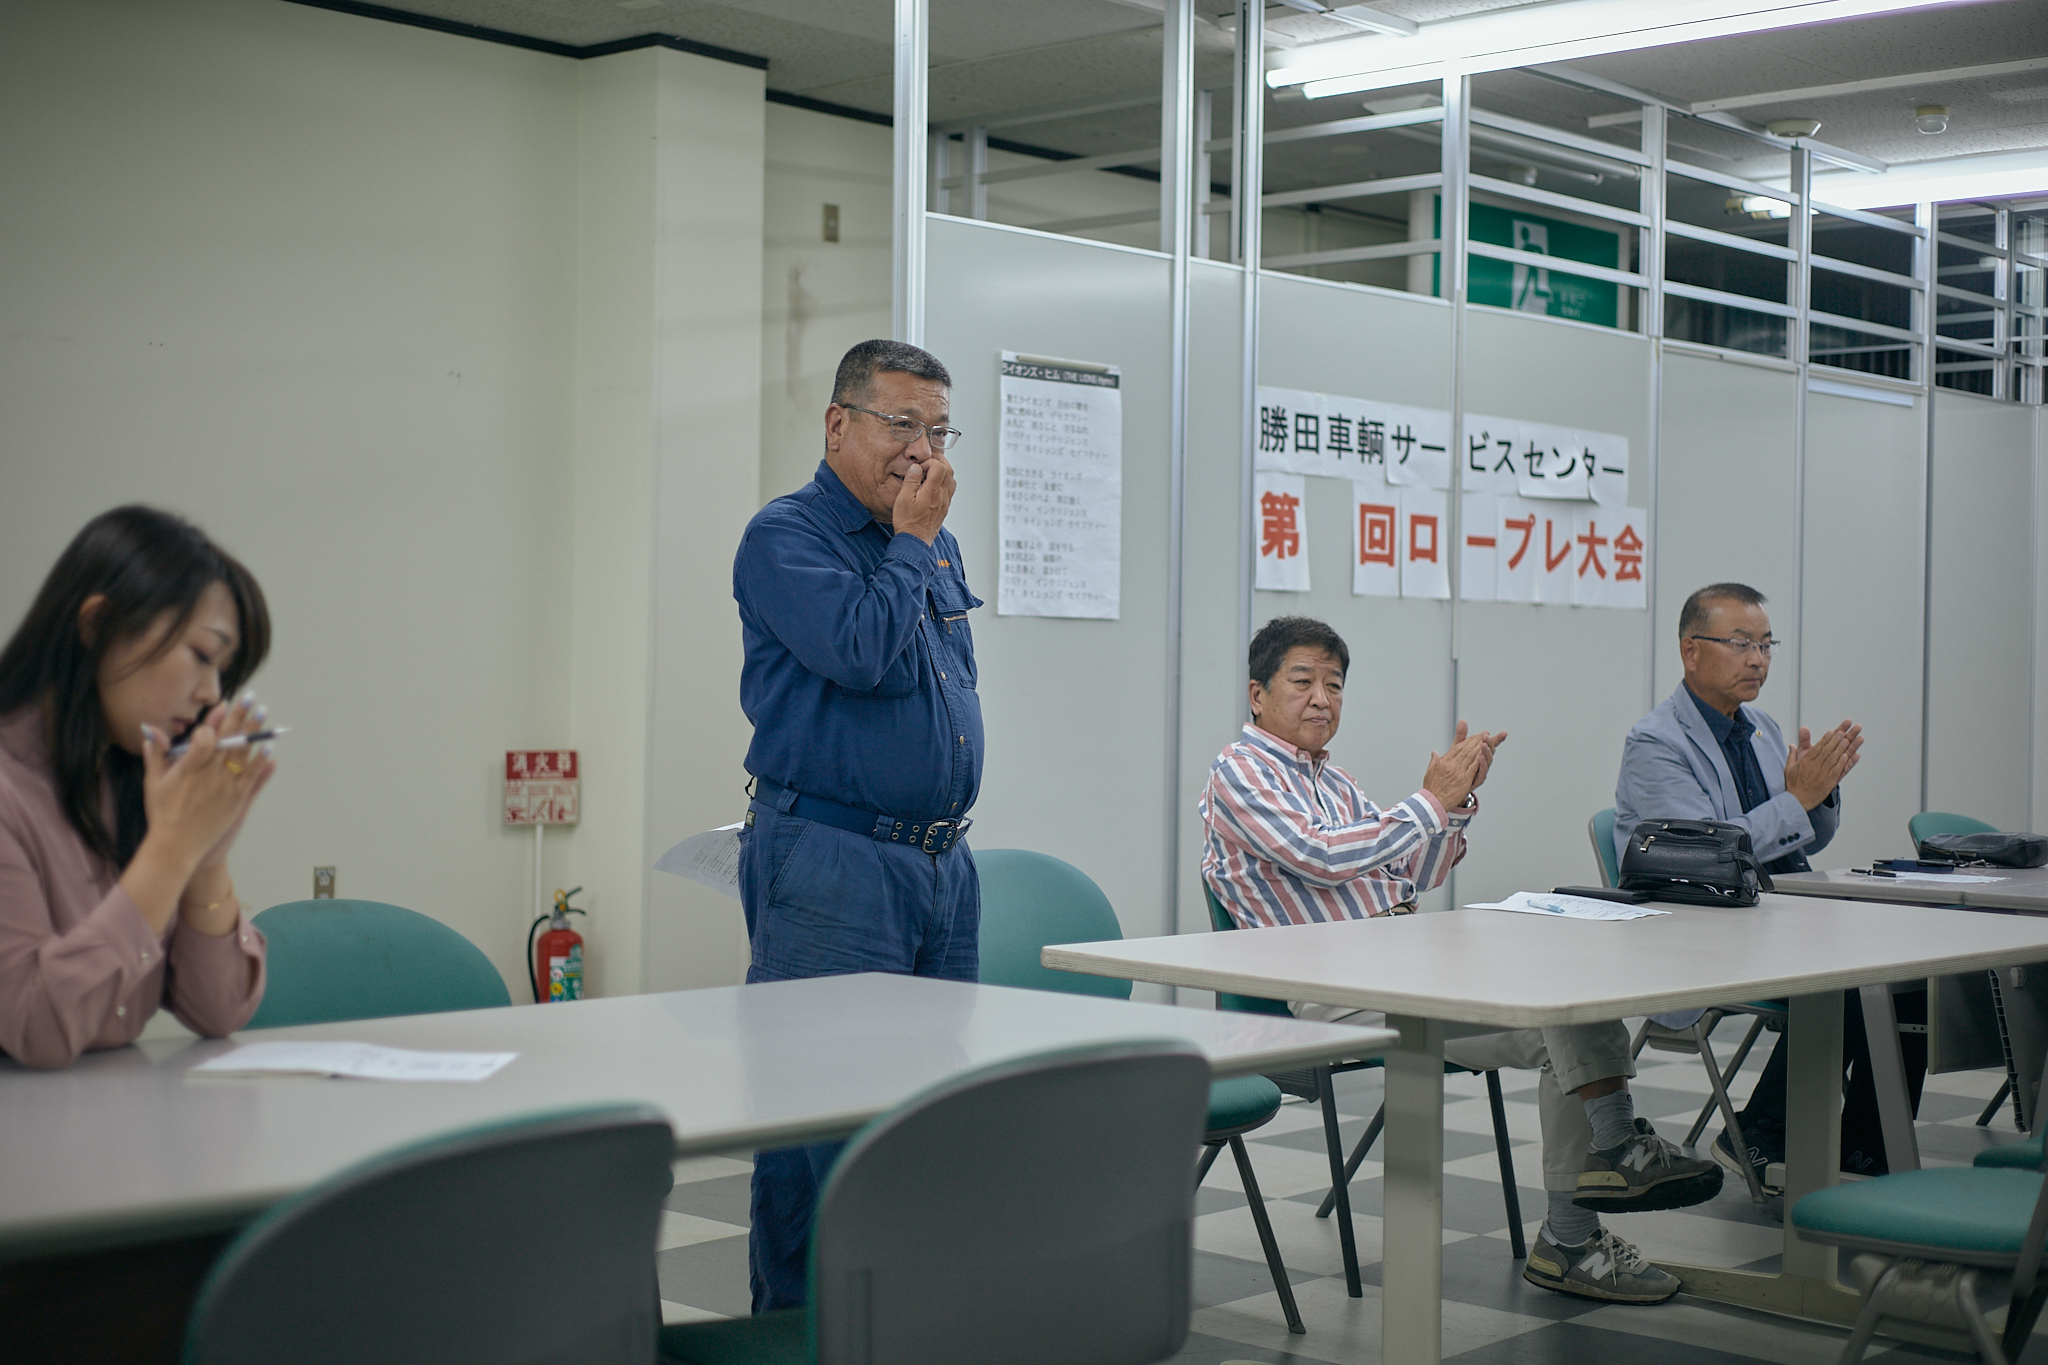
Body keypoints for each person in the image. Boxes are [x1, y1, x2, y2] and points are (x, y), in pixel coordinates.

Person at [1202, 615, 1722, 1306]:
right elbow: (1323, 858)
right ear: (1257, 693)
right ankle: (1617, 1147)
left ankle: (1571, 1233)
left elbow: (1408, 873)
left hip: (1393, 964)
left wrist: (1455, 807)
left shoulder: (1334, 779)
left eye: (1333, 683)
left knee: (1565, 1008)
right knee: (1556, 1007)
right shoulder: (1239, 771)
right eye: (1302, 681)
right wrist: (1427, 801)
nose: (1322, 697)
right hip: (1320, 989)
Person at [731, 338, 981, 1312]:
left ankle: (904, 1322)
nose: (921, 453)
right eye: (900, 426)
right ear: (838, 426)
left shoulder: (933, 541)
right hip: (831, 859)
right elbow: (864, 655)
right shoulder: (786, 536)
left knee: (924, 1115)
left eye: (937, 430)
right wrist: (913, 542)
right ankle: (795, 1329)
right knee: (815, 1117)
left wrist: (921, 543)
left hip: (938, 862)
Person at [1615, 582, 1916, 1187]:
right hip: (1702, 930)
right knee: (1858, 978)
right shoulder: (1656, 743)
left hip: (1778, 917)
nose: (1758, 659)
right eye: (1740, 643)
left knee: (1912, 970)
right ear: (1690, 651)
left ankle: (1862, 1148)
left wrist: (1819, 793)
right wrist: (1797, 799)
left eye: (1766, 644)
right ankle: (1761, 1131)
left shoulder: (1761, 727)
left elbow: (1801, 839)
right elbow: (1706, 854)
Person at [0, 506, 275, 1069]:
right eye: (201, 655)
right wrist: (172, 849)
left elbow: (218, 1012)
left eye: (224, 670)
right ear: (98, 625)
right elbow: (36, 1029)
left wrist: (205, 859)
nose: (212, 696)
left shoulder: (130, 775)